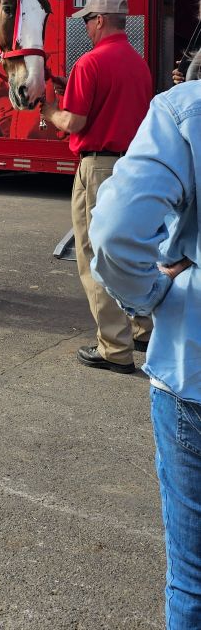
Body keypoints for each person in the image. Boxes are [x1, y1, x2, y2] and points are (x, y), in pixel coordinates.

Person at [89, 42, 201, 629]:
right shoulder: (136, 62)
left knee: (193, 579)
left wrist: (154, 296)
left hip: (195, 370)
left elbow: (112, 235)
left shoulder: (183, 110)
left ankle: (112, 344)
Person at [40, 0, 153, 373]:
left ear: (100, 20)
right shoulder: (139, 63)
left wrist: (51, 109)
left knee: (94, 256)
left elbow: (75, 122)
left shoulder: (90, 63)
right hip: (134, 168)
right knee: (131, 251)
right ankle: (143, 329)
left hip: (99, 168)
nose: (86, 26)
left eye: (88, 19)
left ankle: (114, 348)